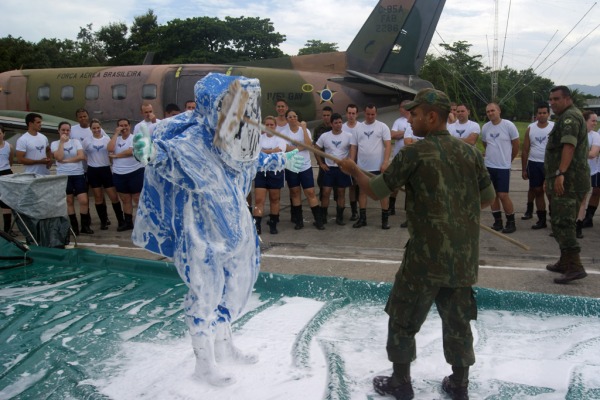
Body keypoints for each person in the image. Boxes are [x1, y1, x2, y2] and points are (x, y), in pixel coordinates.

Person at [131, 73, 302, 386]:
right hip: (201, 231)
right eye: (236, 108)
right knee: (205, 291)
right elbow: (165, 159)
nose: (242, 115)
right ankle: (204, 363)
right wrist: (147, 151)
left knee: (235, 286)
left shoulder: (234, 136)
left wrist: (282, 161)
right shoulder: (191, 142)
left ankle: (225, 347)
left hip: (236, 222)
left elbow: (250, 159)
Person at [338, 88, 495, 400]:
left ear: (432, 117)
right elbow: (488, 199)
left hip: (424, 260)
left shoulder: (413, 154)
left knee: (402, 318)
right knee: (458, 323)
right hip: (462, 259)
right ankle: (459, 385)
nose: (409, 117)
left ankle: (401, 382)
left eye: (415, 113)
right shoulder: (470, 154)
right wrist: (455, 210)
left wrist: (354, 170)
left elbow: (378, 191)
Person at [545, 85, 590, 284]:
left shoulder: (570, 118)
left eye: (556, 99)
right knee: (558, 220)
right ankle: (565, 261)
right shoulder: (566, 117)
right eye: (551, 100)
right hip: (568, 179)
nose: (552, 103)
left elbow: (569, 145)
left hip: (569, 181)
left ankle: (575, 266)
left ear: (567, 99)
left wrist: (561, 173)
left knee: (564, 223)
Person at [349, 104, 392, 229]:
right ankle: (363, 219)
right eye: (368, 114)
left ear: (376, 113)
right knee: (362, 193)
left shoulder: (382, 127)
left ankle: (384, 220)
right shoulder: (357, 128)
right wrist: (352, 162)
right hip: (362, 168)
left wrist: (385, 162)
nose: (370, 116)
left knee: (382, 193)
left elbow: (388, 145)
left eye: (373, 114)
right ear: (364, 113)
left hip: (379, 167)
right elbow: (353, 147)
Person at [281, 110, 324, 230]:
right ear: (287, 119)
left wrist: (304, 128)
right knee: (295, 192)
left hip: (305, 166)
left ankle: (318, 220)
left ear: (297, 118)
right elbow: (285, 148)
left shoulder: (304, 130)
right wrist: (300, 147)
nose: (293, 119)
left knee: (310, 192)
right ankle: (299, 221)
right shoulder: (283, 132)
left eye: (295, 116)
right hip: (292, 166)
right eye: (290, 117)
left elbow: (309, 144)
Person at [481, 102, 520, 234]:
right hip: (489, 166)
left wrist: (508, 160)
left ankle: (511, 222)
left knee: (503, 195)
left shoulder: (508, 125)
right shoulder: (485, 127)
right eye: (488, 112)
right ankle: (497, 221)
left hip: (503, 167)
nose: (490, 113)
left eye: (493, 110)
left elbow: (516, 145)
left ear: (499, 111)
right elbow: (485, 143)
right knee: (493, 196)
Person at [82, 119, 126, 231]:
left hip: (106, 169)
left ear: (101, 127)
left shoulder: (107, 139)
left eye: (98, 128)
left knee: (113, 196)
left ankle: (121, 220)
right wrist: (90, 161)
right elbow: (83, 154)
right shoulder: (87, 141)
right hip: (93, 170)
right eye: (94, 128)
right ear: (91, 129)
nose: (96, 130)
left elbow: (111, 151)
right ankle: (103, 221)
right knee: (98, 197)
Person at [51, 122, 94, 235]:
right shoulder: (55, 144)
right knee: (69, 200)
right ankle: (74, 227)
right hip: (63, 175)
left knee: (83, 200)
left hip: (78, 174)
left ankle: (85, 225)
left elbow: (81, 156)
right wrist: (62, 142)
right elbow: (58, 156)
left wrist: (67, 161)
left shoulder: (76, 142)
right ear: (59, 131)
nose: (65, 132)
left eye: (67, 130)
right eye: (63, 130)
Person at [315, 113, 353, 225]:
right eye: (336, 123)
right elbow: (316, 149)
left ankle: (340, 217)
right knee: (326, 192)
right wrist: (321, 163)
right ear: (331, 124)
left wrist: (347, 160)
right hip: (329, 169)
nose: (338, 125)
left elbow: (353, 150)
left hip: (342, 169)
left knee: (341, 192)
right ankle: (323, 216)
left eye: (340, 122)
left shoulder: (348, 136)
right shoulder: (325, 136)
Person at [520, 103, 554, 229]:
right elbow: (525, 150)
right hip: (534, 163)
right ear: (536, 114)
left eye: (544, 113)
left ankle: (554, 218)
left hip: (549, 164)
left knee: (550, 193)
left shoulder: (554, 127)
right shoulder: (531, 128)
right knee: (537, 191)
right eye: (539, 113)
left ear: (548, 114)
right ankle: (542, 220)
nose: (542, 115)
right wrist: (524, 169)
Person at [108, 118, 145, 231]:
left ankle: (143, 222)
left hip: (135, 172)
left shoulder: (135, 138)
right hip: (119, 173)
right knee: (125, 199)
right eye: (121, 125)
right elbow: (109, 148)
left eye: (126, 125)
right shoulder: (117, 139)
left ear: (130, 126)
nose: (124, 128)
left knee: (137, 198)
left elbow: (131, 152)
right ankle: (128, 223)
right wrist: (116, 134)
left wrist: (116, 155)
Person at [253, 116, 287, 234]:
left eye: (271, 125)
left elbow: (279, 151)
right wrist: (271, 151)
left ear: (275, 126)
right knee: (259, 199)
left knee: (274, 199)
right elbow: (255, 152)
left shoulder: (281, 139)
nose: (269, 127)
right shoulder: (259, 138)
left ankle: (273, 223)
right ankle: (257, 224)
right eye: (267, 124)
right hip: (261, 171)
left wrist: (264, 152)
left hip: (275, 172)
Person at [574, 111, 600, 239]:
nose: (595, 123)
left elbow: (593, 154)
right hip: (573, 171)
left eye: (596, 121)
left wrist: (573, 153)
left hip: (588, 171)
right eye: (593, 121)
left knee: (582, 199)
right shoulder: (576, 133)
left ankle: (579, 225)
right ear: (584, 121)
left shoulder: (595, 136)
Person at [389, 101, 412, 222]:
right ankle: (391, 207)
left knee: (409, 187)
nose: (400, 110)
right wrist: (407, 133)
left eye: (401, 108)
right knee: (395, 185)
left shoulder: (415, 119)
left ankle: (408, 212)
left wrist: (401, 134)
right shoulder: (398, 122)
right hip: (399, 157)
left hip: (411, 159)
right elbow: (393, 135)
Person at [343, 104, 362, 221]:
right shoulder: (342, 127)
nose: (351, 116)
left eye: (353, 113)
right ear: (346, 114)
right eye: (349, 113)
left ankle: (362, 210)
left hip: (360, 162)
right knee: (351, 187)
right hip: (347, 163)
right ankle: (354, 211)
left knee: (360, 186)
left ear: (357, 114)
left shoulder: (361, 127)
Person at [313, 106, 334, 206]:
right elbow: (315, 148)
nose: (326, 117)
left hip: (335, 163)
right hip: (323, 163)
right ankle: (323, 209)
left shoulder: (336, 127)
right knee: (322, 186)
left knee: (338, 189)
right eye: (324, 115)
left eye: (328, 115)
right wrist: (320, 163)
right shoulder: (318, 129)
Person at [0, 125, 16, 236]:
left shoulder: (9, 146)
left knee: (6, 202)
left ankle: (7, 230)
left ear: (3, 134)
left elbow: (10, 161)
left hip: (6, 173)